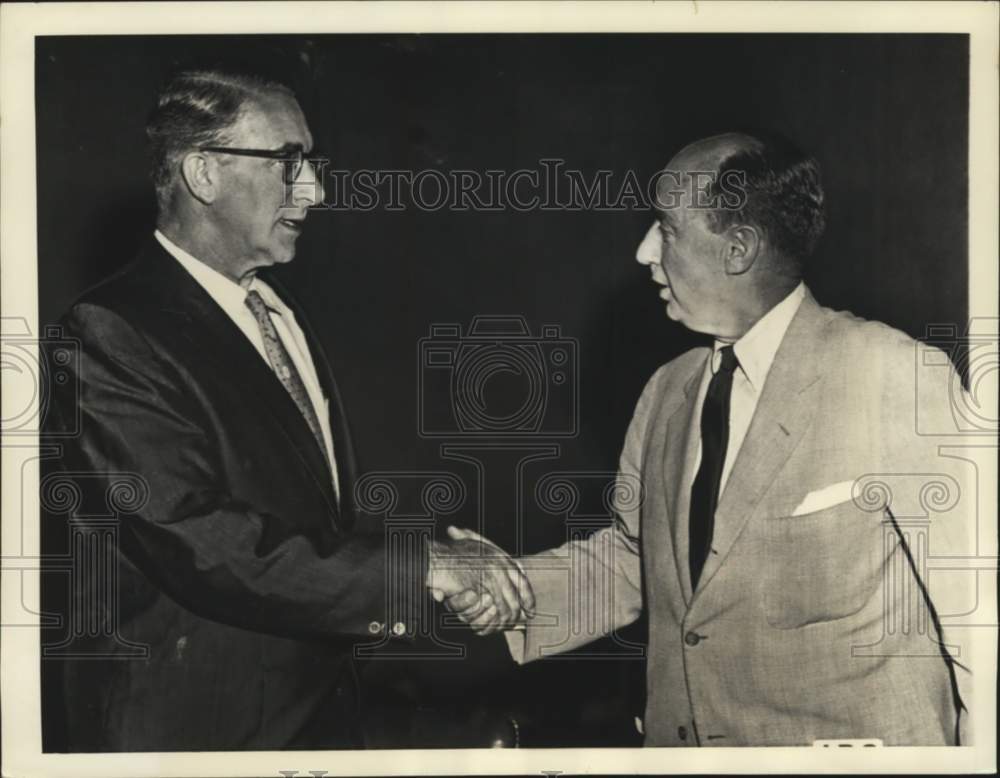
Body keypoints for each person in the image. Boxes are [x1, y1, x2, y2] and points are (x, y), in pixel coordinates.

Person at [41, 66, 532, 752]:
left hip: (311, 723)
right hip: (193, 738)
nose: (315, 190)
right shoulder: (108, 330)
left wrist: (437, 550)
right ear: (203, 173)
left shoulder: (277, 314)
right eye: (287, 162)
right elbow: (201, 539)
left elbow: (304, 511)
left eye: (312, 163)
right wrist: (419, 569)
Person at [448, 131, 975, 746]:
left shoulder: (892, 373)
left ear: (738, 249)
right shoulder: (668, 390)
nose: (644, 251)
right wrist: (507, 588)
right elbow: (635, 563)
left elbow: (979, 612)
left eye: (666, 229)